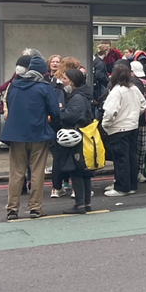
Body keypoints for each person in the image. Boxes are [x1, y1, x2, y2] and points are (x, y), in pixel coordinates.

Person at [1, 56, 59, 220]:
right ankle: (35, 207)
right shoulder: (44, 87)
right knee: (37, 172)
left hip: (15, 134)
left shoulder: (13, 86)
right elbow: (54, 111)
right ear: (42, 72)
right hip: (38, 134)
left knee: (16, 172)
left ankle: (12, 209)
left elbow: (11, 107)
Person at [53, 68, 94, 214]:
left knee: (76, 170)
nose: (62, 81)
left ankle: (80, 204)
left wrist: (60, 110)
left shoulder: (77, 97)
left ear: (73, 81)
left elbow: (69, 117)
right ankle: (86, 203)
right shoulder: (83, 94)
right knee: (84, 171)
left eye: (65, 78)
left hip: (76, 138)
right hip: (84, 136)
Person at [101, 64, 146, 197]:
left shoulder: (116, 91)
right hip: (132, 127)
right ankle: (131, 185)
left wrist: (106, 125)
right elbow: (143, 104)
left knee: (121, 159)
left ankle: (121, 187)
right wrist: (134, 116)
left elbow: (109, 112)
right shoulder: (134, 89)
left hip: (118, 128)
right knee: (131, 157)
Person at [130, 60, 146, 183]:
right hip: (134, 119)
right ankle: (136, 171)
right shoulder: (128, 84)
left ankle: (140, 171)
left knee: (141, 148)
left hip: (143, 119)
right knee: (137, 148)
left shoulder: (145, 83)